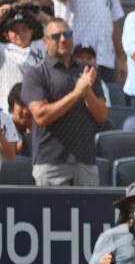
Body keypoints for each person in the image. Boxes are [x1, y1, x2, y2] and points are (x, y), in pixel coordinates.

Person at [22, 18, 108, 186]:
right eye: (56, 36)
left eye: (67, 34)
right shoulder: (36, 73)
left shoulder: (88, 71)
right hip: (51, 162)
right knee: (52, 212)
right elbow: (41, 116)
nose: (63, 39)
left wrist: (87, 91)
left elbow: (102, 115)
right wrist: (77, 93)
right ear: (45, 41)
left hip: (85, 160)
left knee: (88, 212)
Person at [0, 2, 46, 114]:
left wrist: (40, 15)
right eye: (14, 30)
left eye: (24, 29)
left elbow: (60, 29)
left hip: (38, 107)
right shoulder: (3, 50)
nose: (20, 33)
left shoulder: (43, 45)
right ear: (6, 35)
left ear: (31, 31)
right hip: (9, 111)